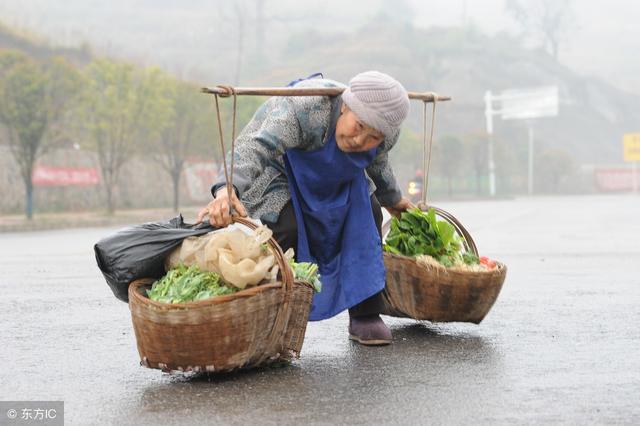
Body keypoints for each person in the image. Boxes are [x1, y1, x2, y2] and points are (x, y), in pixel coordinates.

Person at [197, 71, 413, 345]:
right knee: (284, 228)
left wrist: (393, 200)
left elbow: (378, 165)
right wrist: (226, 190)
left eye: (373, 137)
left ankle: (366, 313)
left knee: (367, 217)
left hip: (337, 176)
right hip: (281, 170)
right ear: (345, 106)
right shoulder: (307, 108)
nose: (360, 141)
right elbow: (255, 147)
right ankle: (272, 319)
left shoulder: (385, 137)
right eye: (358, 126)